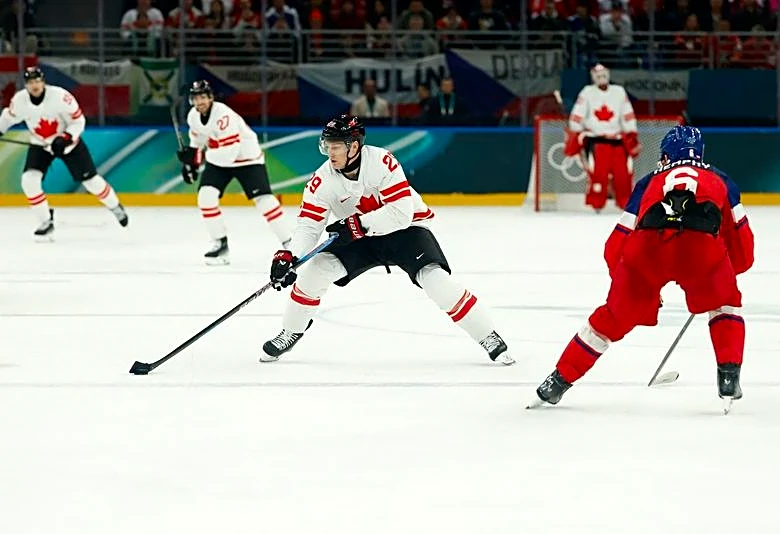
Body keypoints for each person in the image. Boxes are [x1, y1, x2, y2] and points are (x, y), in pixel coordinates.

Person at [531, 126, 754, 412]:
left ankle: (557, 381)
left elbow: (615, 245)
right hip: (701, 251)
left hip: (647, 252)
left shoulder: (650, 181)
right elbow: (744, 250)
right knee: (725, 305)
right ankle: (728, 375)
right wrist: (723, 275)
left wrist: (632, 286)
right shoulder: (723, 181)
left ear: (665, 155)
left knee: (611, 318)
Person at [261, 114, 514, 366]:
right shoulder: (321, 180)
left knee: (435, 279)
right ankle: (291, 330)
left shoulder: (382, 162)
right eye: (327, 146)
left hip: (404, 231)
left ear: (355, 146)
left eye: (336, 146)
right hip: (360, 238)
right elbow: (308, 226)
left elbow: (401, 213)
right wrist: (290, 256)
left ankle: (487, 336)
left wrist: (357, 224)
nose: (330, 152)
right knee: (316, 271)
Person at [0, 66, 128, 239]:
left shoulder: (61, 97)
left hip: (69, 145)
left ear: (43, 82)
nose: (35, 85)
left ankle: (115, 207)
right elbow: (8, 117)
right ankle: (46, 221)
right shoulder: (20, 101)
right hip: (40, 144)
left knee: (91, 182)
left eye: (37, 81)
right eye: (30, 82)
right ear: (26, 85)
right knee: (29, 181)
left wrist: (66, 137)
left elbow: (78, 120)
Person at [176, 80, 293, 264]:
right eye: (196, 98)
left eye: (203, 97)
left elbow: (229, 153)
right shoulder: (193, 116)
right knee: (206, 197)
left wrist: (199, 159)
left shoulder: (223, 115)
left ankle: (291, 243)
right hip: (219, 158)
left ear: (211, 97)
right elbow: (197, 142)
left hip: (246, 158)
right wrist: (190, 163)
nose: (200, 102)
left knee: (264, 201)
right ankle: (220, 245)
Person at [564, 63, 640, 211]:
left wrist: (631, 132)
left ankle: (625, 204)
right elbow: (577, 115)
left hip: (618, 140)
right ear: (593, 77)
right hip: (596, 140)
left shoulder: (618, 92)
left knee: (623, 174)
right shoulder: (587, 92)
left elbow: (627, 113)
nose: (601, 78)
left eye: (604, 75)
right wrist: (576, 130)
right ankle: (596, 203)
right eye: (598, 76)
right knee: (598, 174)